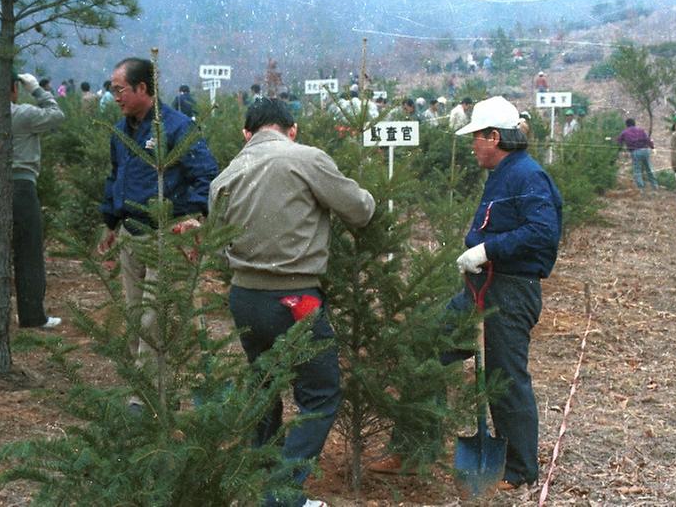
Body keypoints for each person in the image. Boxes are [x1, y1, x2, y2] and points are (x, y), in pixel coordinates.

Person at [369, 96, 562, 493]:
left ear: (495, 136)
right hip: (479, 289)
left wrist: (488, 249)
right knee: (427, 346)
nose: (473, 144)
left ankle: (520, 469)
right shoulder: (503, 174)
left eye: (477, 136)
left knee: (504, 375)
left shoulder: (528, 176)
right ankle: (412, 449)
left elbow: (543, 232)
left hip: (509, 291)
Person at [209, 98, 375, 507]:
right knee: (319, 391)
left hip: (244, 296)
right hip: (296, 298)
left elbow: (216, 246)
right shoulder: (305, 159)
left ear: (246, 135)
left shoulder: (225, 176)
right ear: (292, 129)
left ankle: (261, 476)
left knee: (263, 386)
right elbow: (359, 209)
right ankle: (282, 495)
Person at [97, 57, 218, 392]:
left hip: (168, 233)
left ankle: (152, 394)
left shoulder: (177, 128)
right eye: (113, 89)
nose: (116, 96)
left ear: (142, 88)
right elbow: (115, 177)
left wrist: (191, 215)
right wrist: (110, 222)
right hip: (130, 233)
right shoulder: (121, 132)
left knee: (157, 318)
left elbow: (206, 174)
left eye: (120, 89)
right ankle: (143, 384)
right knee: (136, 313)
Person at [0, 66, 65, 335]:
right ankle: (33, 316)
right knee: (28, 252)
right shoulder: (23, 114)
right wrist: (37, 90)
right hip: (21, 187)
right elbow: (57, 116)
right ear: (13, 88)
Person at [617, 118, 659, 193]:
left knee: (637, 171)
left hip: (635, 152)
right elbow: (648, 140)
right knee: (649, 168)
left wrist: (618, 148)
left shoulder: (625, 132)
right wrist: (652, 148)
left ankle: (641, 189)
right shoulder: (641, 130)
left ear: (626, 125)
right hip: (645, 151)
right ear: (634, 123)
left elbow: (619, 141)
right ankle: (655, 186)